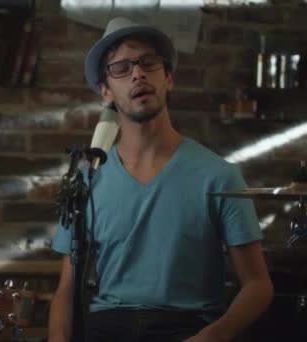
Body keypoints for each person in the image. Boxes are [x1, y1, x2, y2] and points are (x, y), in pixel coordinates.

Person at [48, 17, 273, 342]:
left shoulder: (218, 176)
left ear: (168, 78)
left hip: (187, 328)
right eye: (121, 68)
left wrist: (210, 338)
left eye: (148, 63)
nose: (138, 73)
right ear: (106, 92)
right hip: (107, 328)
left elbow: (258, 286)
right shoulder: (86, 181)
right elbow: (66, 292)